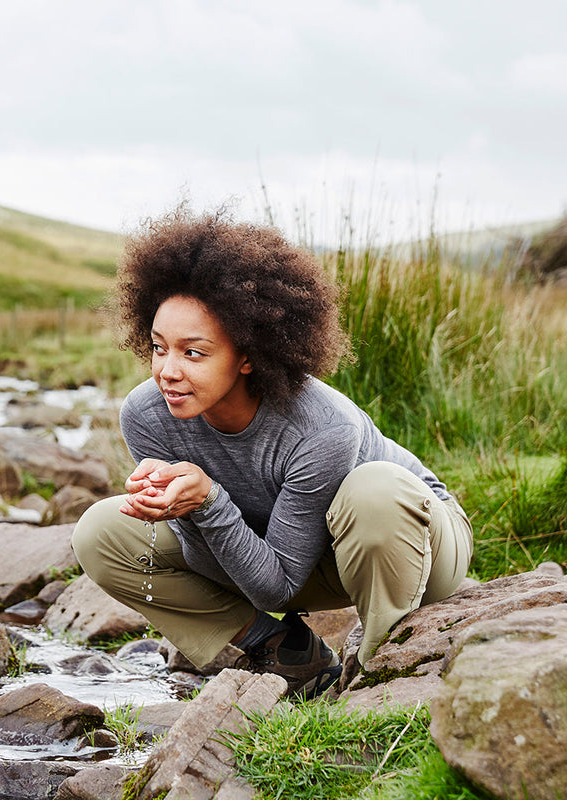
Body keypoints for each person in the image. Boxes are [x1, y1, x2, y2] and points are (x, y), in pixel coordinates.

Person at [72, 208, 473, 698]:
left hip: (412, 546)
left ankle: (376, 677)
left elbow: (277, 586)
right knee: (103, 529)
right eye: (159, 348)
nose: (167, 371)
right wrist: (188, 509)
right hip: (285, 558)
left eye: (192, 353)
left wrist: (209, 501)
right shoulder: (147, 415)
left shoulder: (322, 428)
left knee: (375, 490)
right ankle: (287, 652)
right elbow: (237, 572)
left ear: (247, 355)